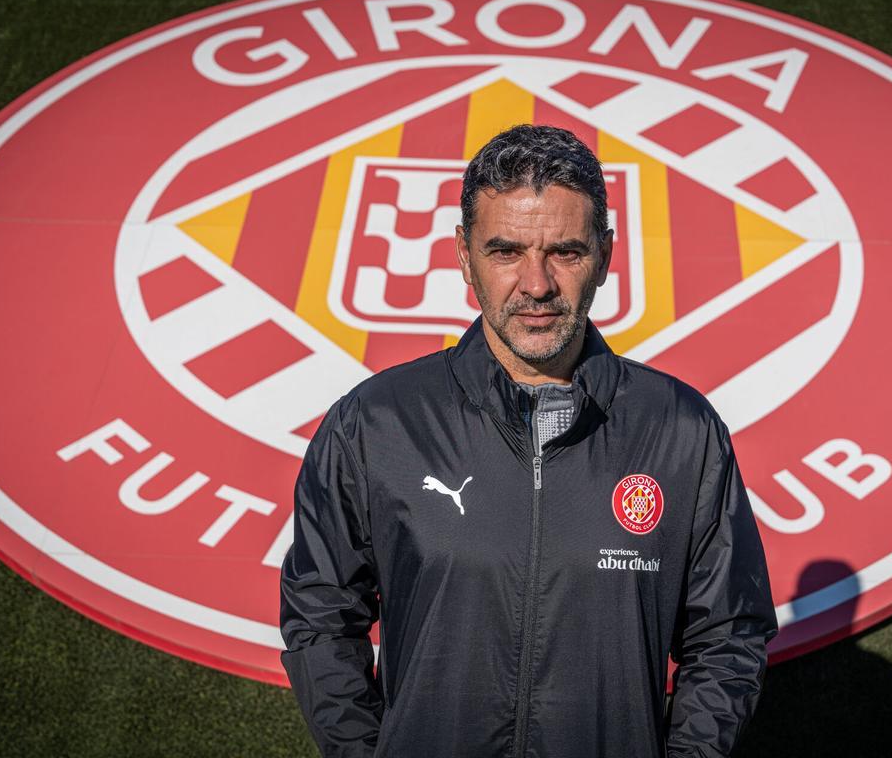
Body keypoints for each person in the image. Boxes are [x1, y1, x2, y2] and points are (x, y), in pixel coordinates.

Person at [280, 124, 778, 758]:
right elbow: (321, 615)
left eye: (566, 252)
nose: (537, 285)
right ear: (464, 254)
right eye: (505, 251)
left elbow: (729, 637)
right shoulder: (374, 424)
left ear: (606, 253)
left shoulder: (682, 431)